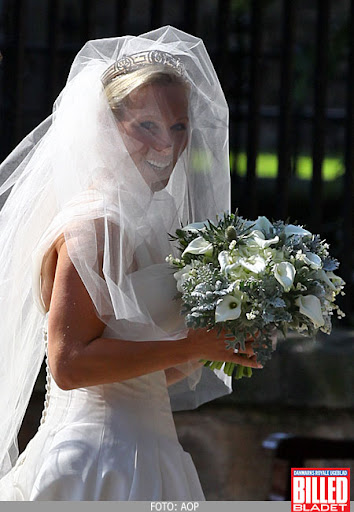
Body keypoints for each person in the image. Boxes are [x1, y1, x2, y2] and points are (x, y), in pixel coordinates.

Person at [0, 26, 261, 501]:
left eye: (179, 127)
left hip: (146, 448)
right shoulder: (98, 223)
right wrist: (189, 343)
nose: (167, 145)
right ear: (106, 126)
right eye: (148, 126)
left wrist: (222, 340)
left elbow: (142, 375)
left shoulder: (140, 226)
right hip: (100, 461)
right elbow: (70, 364)